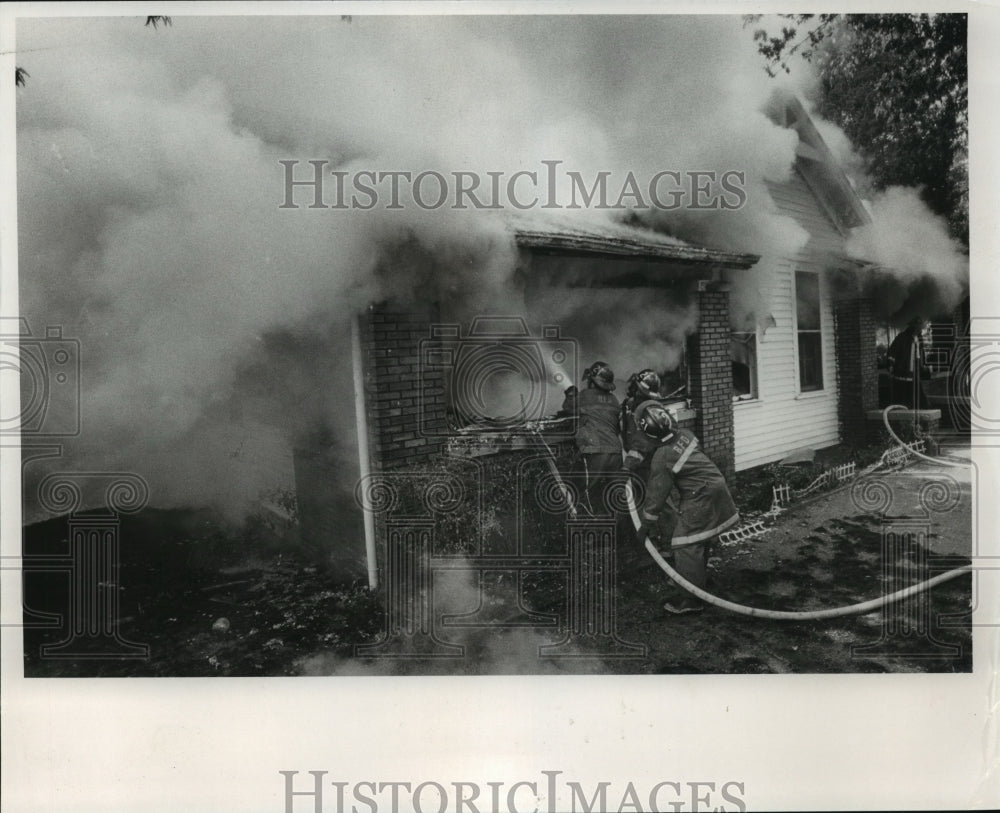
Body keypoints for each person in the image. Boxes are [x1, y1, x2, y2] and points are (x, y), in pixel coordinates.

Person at [634, 402, 739, 615]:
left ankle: (691, 599)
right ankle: (697, 582)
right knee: (698, 538)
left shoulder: (663, 456)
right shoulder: (685, 434)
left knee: (684, 544)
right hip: (716, 485)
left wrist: (645, 526)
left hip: (700, 495)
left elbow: (656, 497)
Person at [561, 361, 622, 516]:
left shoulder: (585, 395)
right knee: (614, 496)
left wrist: (570, 394)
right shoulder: (614, 399)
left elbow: (567, 409)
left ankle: (588, 527)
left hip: (595, 451)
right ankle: (618, 527)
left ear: (592, 381)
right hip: (615, 453)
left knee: (586, 492)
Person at [619, 369, 666, 483]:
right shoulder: (630, 404)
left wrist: (627, 466)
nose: (632, 390)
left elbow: (642, 444)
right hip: (638, 461)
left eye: (635, 387)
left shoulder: (650, 410)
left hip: (648, 462)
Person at [887, 317, 932, 409]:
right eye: (918, 328)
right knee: (902, 397)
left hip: (914, 373)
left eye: (920, 328)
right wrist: (891, 365)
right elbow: (892, 352)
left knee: (919, 396)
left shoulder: (919, 339)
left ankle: (924, 410)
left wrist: (922, 366)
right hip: (902, 372)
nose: (919, 330)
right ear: (913, 327)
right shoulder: (902, 337)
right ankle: (901, 411)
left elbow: (920, 354)